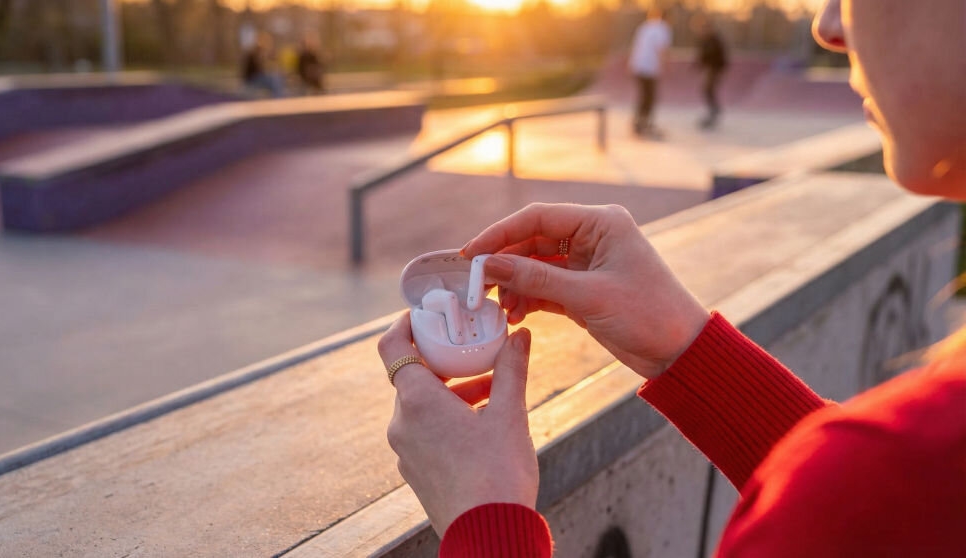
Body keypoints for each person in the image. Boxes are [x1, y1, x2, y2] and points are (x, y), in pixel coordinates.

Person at [378, 0, 966, 556]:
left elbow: (872, 509)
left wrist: (485, 522)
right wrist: (687, 350)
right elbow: (869, 521)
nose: (828, 24)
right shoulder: (914, 475)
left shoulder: (905, 477)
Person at [628, 8, 672, 138]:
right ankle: (644, 123)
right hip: (650, 67)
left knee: (643, 96)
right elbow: (661, 50)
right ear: (667, 18)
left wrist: (630, 64)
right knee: (650, 97)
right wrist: (665, 67)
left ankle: (639, 122)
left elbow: (636, 46)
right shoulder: (663, 28)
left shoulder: (645, 26)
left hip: (637, 65)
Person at [693, 14, 727, 129]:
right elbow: (703, 56)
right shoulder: (706, 40)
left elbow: (710, 55)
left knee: (708, 89)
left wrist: (700, 64)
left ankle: (714, 111)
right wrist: (697, 64)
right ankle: (713, 111)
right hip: (712, 68)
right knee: (707, 90)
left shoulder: (714, 40)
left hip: (715, 68)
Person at [241, 33, 283, 97]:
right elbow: (260, 68)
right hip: (253, 78)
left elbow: (274, 65)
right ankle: (278, 98)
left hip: (262, 77)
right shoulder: (254, 53)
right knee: (274, 79)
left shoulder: (268, 53)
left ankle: (278, 97)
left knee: (277, 77)